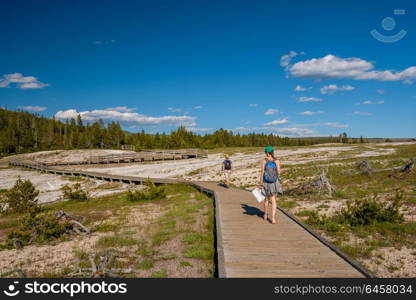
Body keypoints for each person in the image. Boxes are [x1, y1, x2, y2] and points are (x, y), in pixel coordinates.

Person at [259, 146, 282, 224]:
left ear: (267, 153)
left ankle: (265, 214)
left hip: (266, 182)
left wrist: (260, 183)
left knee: (266, 199)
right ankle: (273, 218)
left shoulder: (264, 161)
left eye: (265, 152)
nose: (265, 153)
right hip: (274, 182)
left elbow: (262, 172)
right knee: (273, 199)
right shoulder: (277, 161)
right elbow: (279, 172)